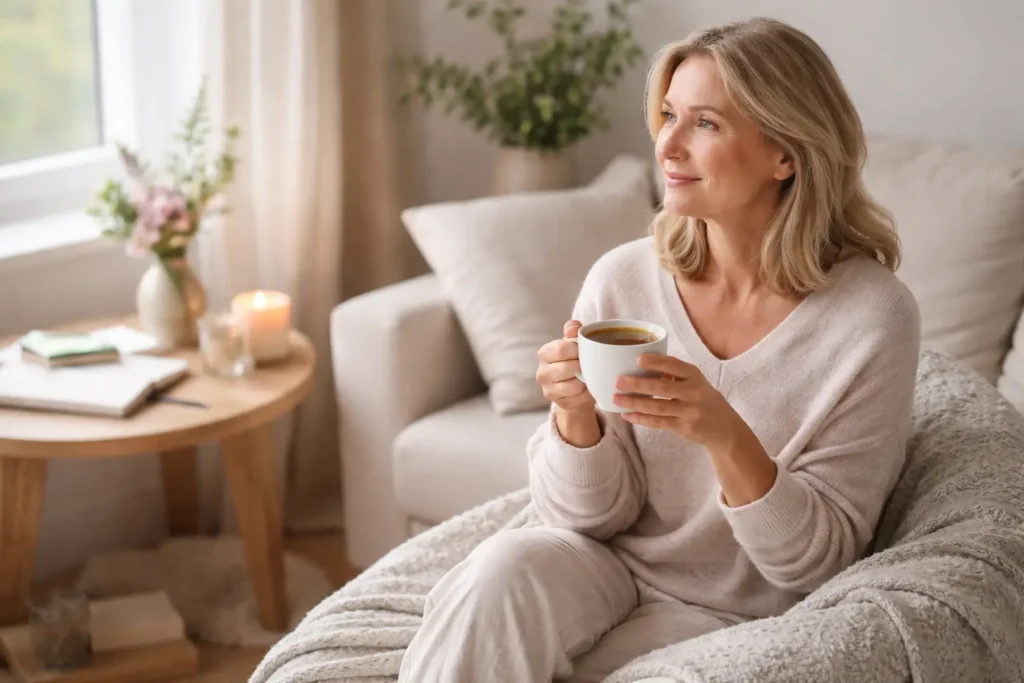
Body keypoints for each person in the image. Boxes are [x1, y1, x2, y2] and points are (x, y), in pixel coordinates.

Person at [398, 16, 920, 683]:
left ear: (785, 154)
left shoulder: (871, 318)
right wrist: (574, 420)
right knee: (497, 573)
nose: (667, 144)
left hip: (736, 612)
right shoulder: (625, 277)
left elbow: (815, 563)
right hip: (604, 565)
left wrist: (725, 434)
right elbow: (585, 518)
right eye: (668, 115)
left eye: (704, 123)